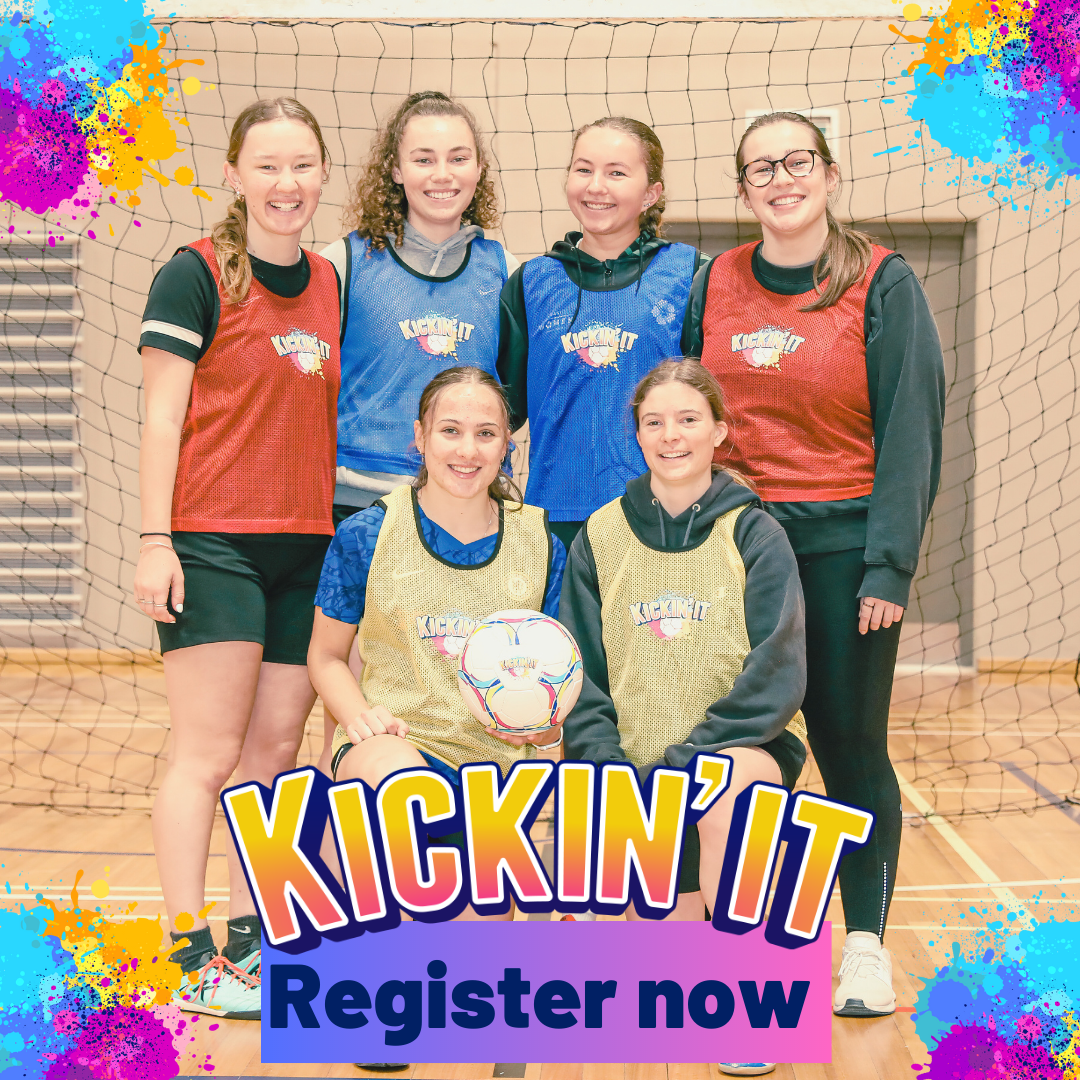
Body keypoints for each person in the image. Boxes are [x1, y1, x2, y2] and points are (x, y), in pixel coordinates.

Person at [683, 111, 945, 1019]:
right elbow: (691, 411)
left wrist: (889, 566)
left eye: (797, 161)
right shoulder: (715, 281)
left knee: (848, 746)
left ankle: (863, 947)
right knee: (732, 748)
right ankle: (732, 946)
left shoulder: (884, 282)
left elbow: (912, 429)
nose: (781, 178)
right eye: (761, 167)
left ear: (829, 174)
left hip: (841, 551)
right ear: (743, 188)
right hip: (736, 550)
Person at [135, 97, 339, 1019]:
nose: (286, 184)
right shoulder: (195, 274)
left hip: (308, 546)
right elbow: (160, 419)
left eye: (301, 166)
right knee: (208, 753)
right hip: (212, 544)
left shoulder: (328, 281)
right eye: (268, 166)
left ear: (322, 174)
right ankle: (188, 953)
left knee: (277, 753)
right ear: (234, 174)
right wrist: (155, 541)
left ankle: (255, 938)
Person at [561, 359, 807, 1080]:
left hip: (737, 747)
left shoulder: (755, 532)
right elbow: (579, 669)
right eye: (655, 422)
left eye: (688, 419)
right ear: (637, 435)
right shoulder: (601, 534)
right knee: (661, 981)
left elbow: (777, 672)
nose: (671, 435)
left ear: (720, 431)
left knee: (727, 792)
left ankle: (749, 1002)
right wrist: (606, 763)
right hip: (630, 760)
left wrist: (689, 759)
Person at [316, 90, 519, 779]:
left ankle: (456, 826)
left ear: (479, 169)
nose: (442, 173)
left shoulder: (503, 269)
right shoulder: (343, 262)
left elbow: (511, 399)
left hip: (459, 510)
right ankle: (345, 836)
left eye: (458, 157)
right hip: (358, 504)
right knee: (351, 706)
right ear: (395, 169)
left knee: (451, 687)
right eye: (424, 158)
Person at [308, 365, 565, 873]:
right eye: (450, 430)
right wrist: (359, 716)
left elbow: (557, 679)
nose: (467, 450)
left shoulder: (542, 545)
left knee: (475, 924)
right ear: (421, 437)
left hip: (497, 766)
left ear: (506, 446)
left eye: (486, 434)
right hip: (397, 745)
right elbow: (326, 656)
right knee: (408, 793)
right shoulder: (367, 533)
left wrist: (546, 737)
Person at [497, 117, 709, 553]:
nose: (596, 186)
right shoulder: (531, 282)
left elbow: (713, 406)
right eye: (583, 169)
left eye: (616, 172)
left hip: (665, 516)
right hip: (556, 518)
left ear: (651, 193)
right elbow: (502, 412)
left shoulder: (690, 274)